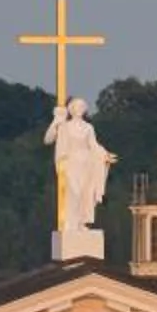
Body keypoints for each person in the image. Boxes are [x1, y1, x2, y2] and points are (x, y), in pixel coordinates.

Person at [44, 98, 116, 231]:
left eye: (82, 106)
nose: (80, 109)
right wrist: (56, 121)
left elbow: (93, 145)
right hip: (71, 163)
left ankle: (81, 222)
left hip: (86, 164)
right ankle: (71, 222)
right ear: (71, 109)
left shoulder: (88, 128)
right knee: (74, 192)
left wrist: (105, 155)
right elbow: (48, 139)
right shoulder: (65, 126)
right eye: (77, 106)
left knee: (85, 193)